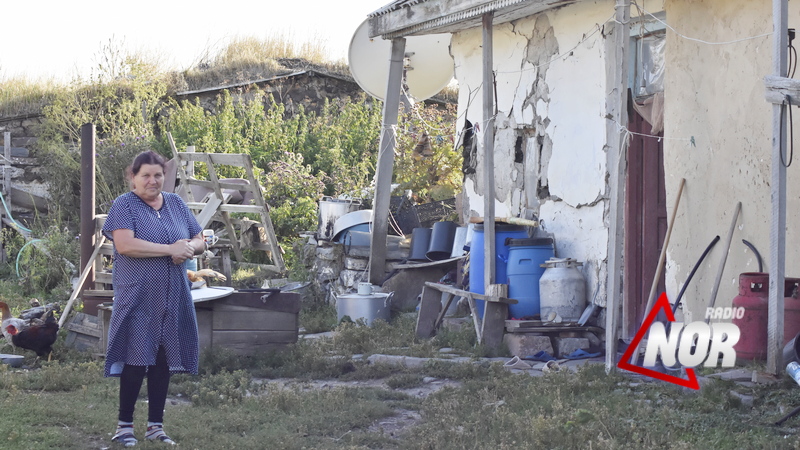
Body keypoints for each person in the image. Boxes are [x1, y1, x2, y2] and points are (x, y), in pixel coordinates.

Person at [102, 150, 204, 447]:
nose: (152, 181)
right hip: (138, 296)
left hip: (173, 296)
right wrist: (169, 249)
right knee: (136, 359)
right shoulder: (125, 205)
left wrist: (189, 248)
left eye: (158, 175)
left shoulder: (175, 203)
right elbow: (125, 245)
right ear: (132, 177)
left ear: (165, 176)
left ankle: (155, 427)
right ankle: (124, 427)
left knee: (163, 360)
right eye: (145, 175)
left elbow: (199, 238)